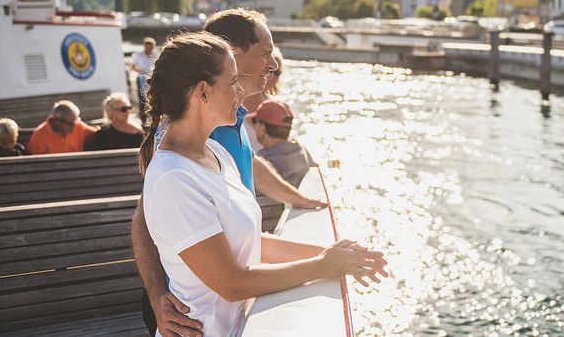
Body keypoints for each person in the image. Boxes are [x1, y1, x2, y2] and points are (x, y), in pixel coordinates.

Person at [139, 32, 387, 337]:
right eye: (232, 82)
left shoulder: (214, 152)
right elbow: (234, 283)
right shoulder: (173, 178)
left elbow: (251, 243)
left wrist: (334, 254)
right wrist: (323, 266)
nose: (241, 92)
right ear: (203, 93)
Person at [249, 100, 316, 188]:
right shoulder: (302, 151)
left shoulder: (260, 162)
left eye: (255, 121)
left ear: (262, 128)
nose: (254, 126)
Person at [243, 47, 283, 151]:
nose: (272, 76)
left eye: (277, 72)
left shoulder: (271, 100)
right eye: (269, 70)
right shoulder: (251, 96)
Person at [28, 101, 97, 155]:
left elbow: (98, 133)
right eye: (71, 123)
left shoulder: (78, 126)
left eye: (75, 121)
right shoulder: (39, 136)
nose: (74, 126)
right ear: (57, 122)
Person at [131, 38, 159, 124]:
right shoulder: (138, 55)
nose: (149, 49)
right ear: (145, 46)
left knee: (154, 98)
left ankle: (153, 118)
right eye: (148, 47)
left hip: (153, 78)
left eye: (151, 47)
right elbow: (132, 67)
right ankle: (143, 120)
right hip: (142, 78)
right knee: (143, 99)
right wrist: (141, 70)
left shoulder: (156, 54)